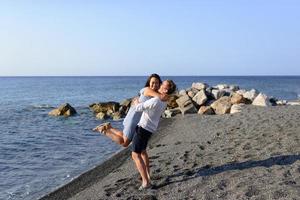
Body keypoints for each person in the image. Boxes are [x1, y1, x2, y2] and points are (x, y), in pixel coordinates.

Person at [93, 74, 167, 147]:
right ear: (149, 83)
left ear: (159, 83)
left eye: (156, 82)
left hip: (139, 120)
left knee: (126, 137)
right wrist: (167, 94)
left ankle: (109, 127)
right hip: (134, 118)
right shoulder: (148, 90)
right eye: (152, 82)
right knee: (125, 143)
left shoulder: (154, 93)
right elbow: (160, 97)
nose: (154, 84)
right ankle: (104, 130)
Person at [131, 80, 176, 190]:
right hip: (150, 129)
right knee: (142, 152)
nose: (159, 85)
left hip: (143, 128)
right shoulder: (164, 100)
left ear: (165, 89)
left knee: (135, 154)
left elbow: (138, 108)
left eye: (162, 84)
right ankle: (147, 176)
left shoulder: (156, 100)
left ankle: (146, 182)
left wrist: (136, 101)